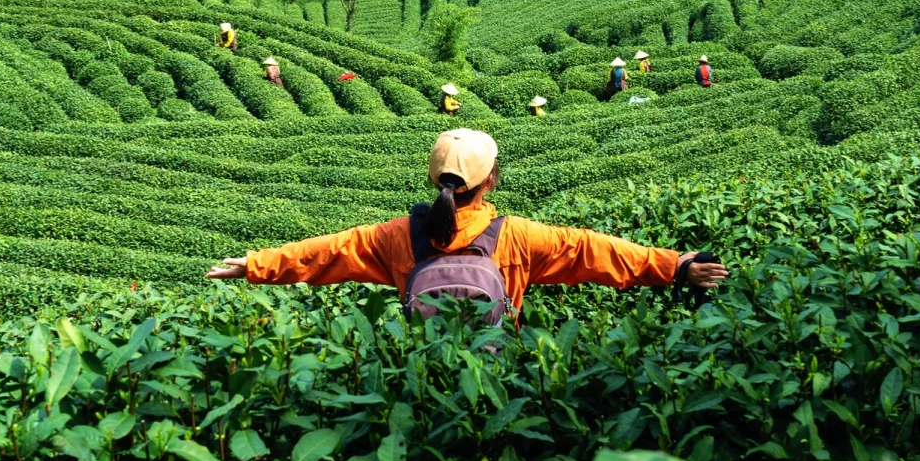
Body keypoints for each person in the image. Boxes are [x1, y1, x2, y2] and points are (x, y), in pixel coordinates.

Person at [205, 128, 729, 321]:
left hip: (425, 371)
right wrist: (674, 266)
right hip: (492, 373)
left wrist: (254, 265)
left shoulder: (395, 236)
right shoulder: (518, 237)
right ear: (492, 180)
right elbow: (592, 252)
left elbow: (326, 253)